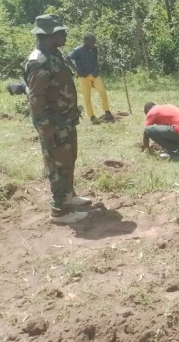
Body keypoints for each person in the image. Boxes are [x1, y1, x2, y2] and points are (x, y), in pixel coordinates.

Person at [22, 14, 91, 224]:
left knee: (69, 161)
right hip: (53, 124)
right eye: (60, 32)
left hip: (66, 120)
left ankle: (68, 196)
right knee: (58, 166)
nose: (65, 34)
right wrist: (45, 127)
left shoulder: (54, 54)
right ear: (48, 35)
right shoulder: (39, 61)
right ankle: (60, 211)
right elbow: (36, 98)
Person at [66, 34, 113, 124]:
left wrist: (96, 69)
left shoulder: (94, 49)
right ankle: (91, 116)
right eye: (92, 42)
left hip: (95, 74)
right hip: (84, 76)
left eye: (94, 42)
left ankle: (107, 111)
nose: (94, 44)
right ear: (86, 42)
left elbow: (95, 60)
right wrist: (76, 70)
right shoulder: (78, 50)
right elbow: (67, 58)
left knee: (102, 91)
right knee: (87, 96)